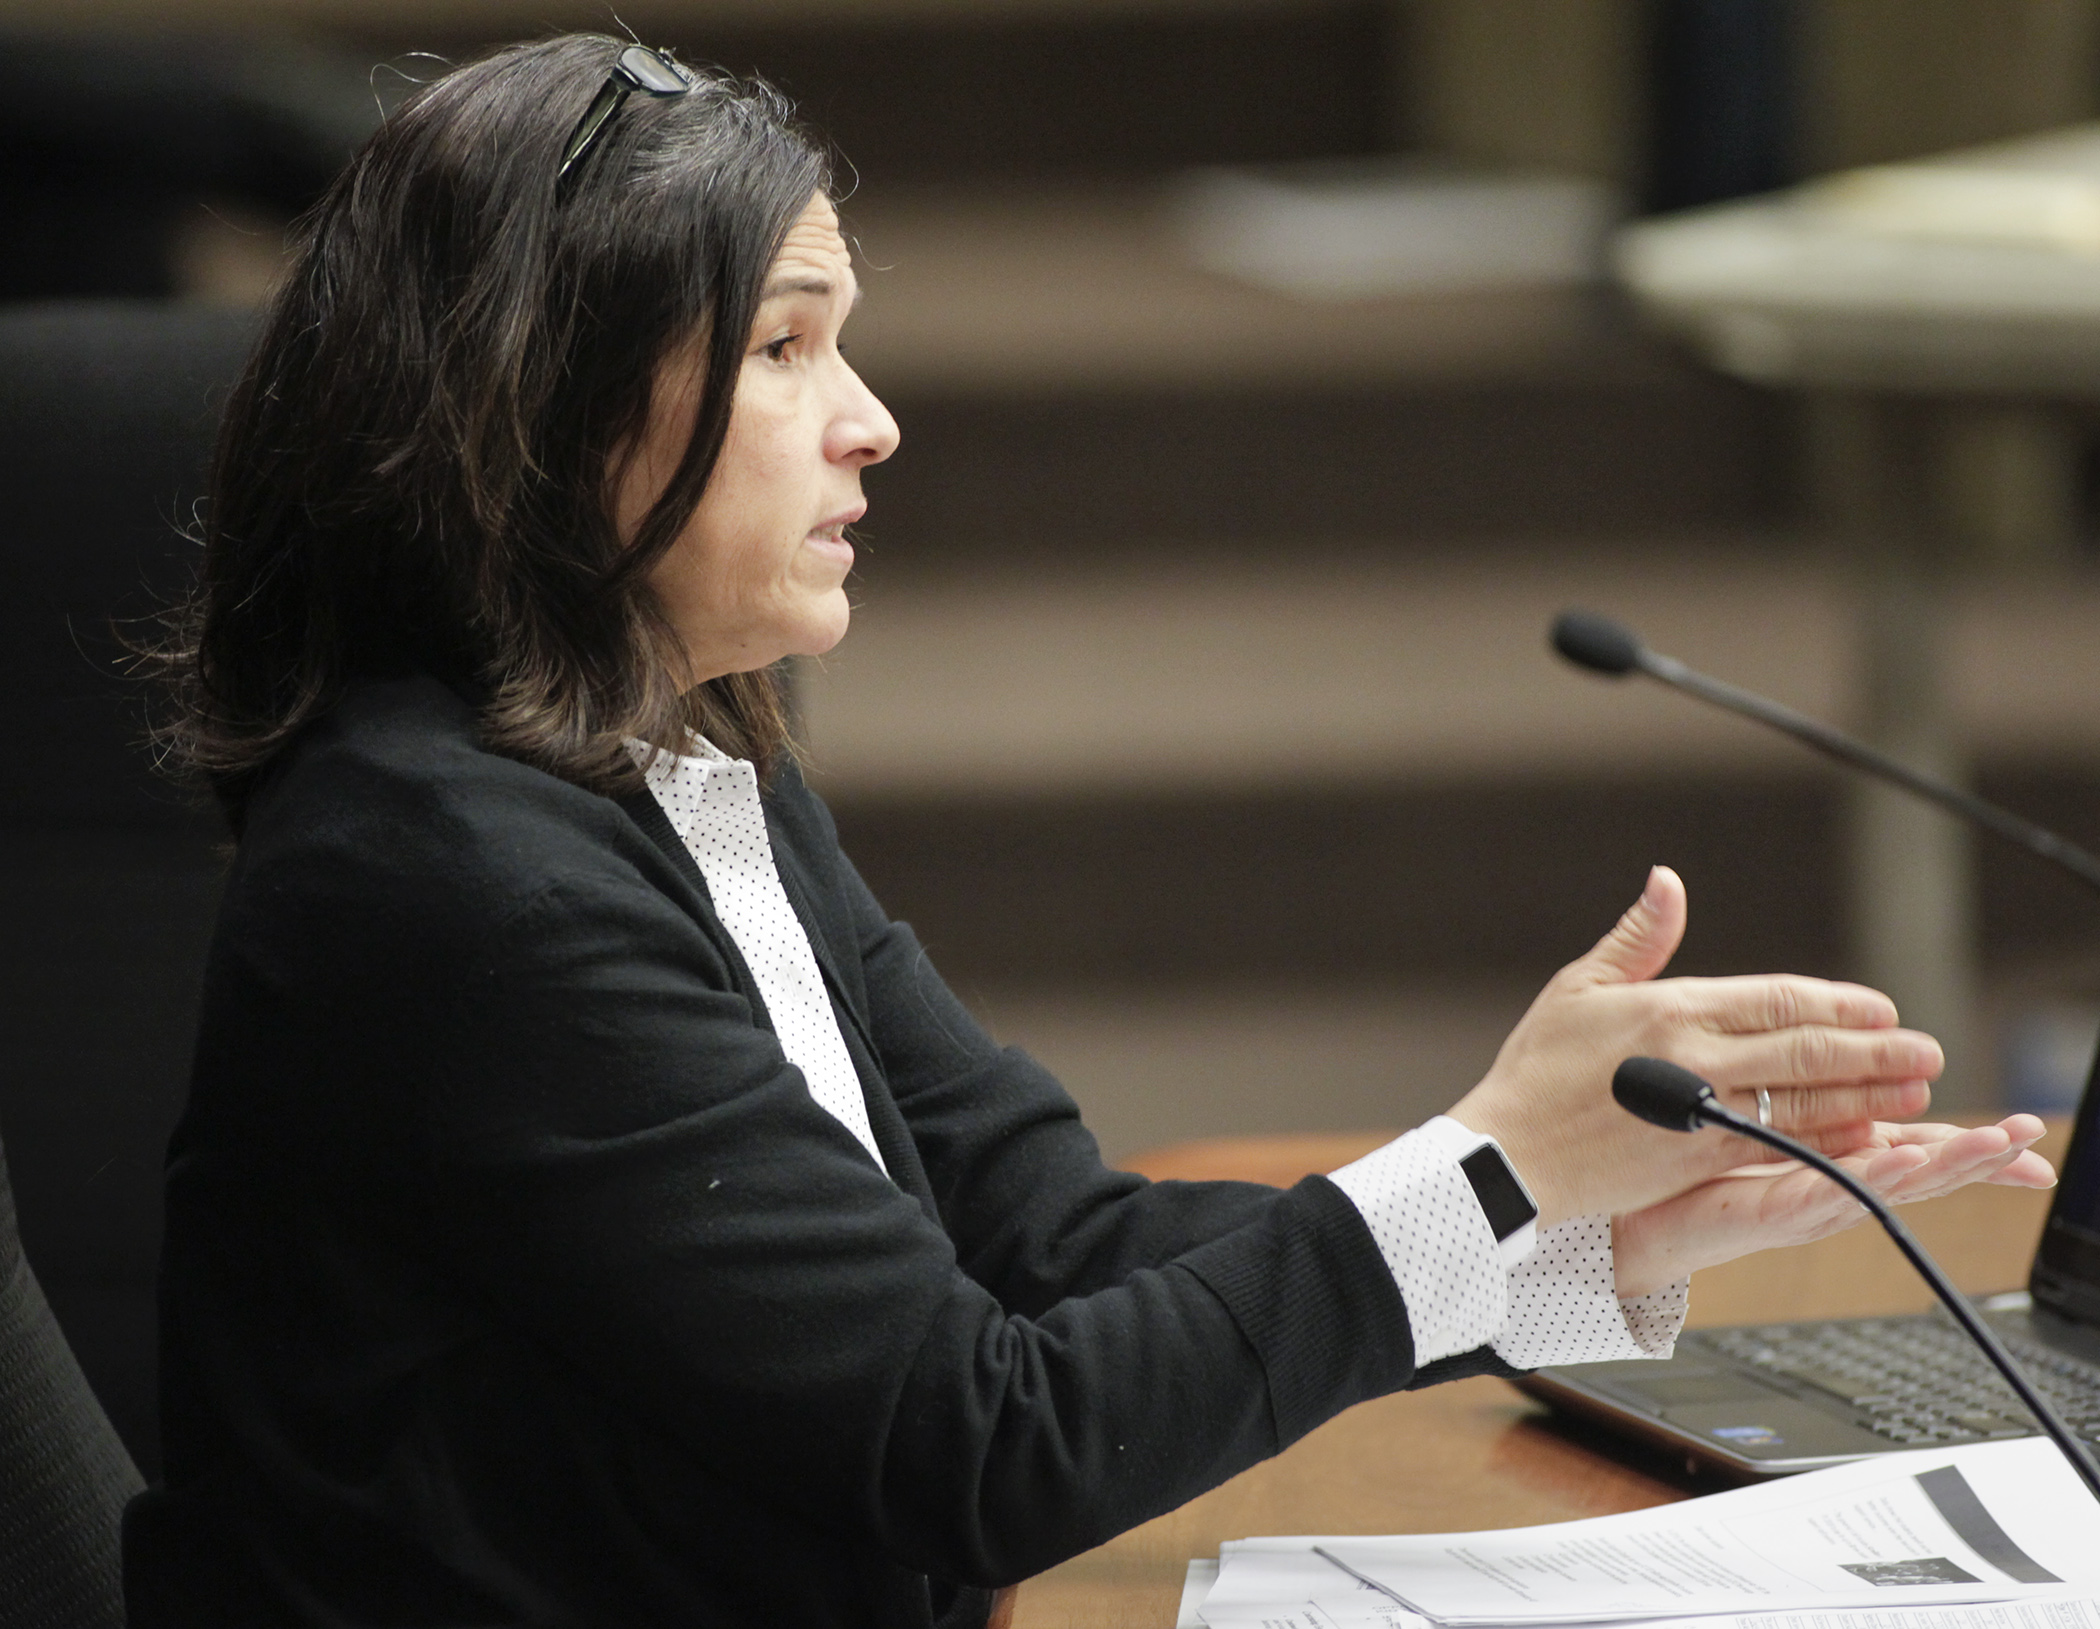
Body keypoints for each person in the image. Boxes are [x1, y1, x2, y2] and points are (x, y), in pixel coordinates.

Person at [122, 35, 2053, 1629]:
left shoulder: (677, 750)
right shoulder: (451, 880)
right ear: (537, 410)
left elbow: (1054, 1239)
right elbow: (977, 1445)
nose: (871, 421)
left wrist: (1568, 1209)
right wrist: (1480, 1170)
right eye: (788, 349)